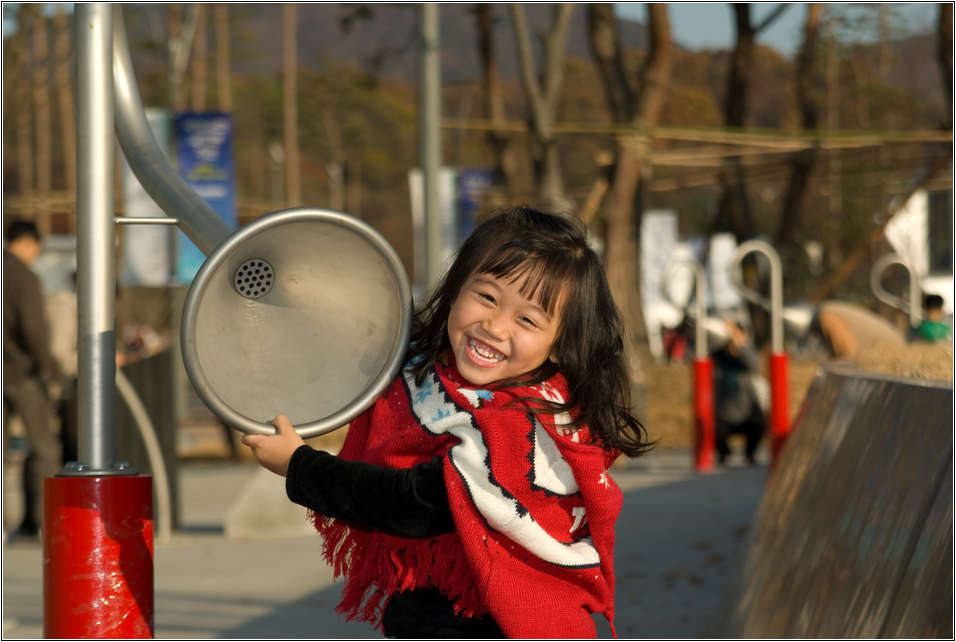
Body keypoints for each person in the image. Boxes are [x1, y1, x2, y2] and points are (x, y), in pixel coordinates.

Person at [241, 207, 652, 638]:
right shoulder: (438, 374)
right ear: (455, 290)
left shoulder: (521, 428)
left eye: (527, 319)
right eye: (487, 297)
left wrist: (300, 466)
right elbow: (356, 341)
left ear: (559, 344)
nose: (494, 325)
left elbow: (411, 506)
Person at [3, 220, 62, 537]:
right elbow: (34, 329)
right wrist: (49, 367)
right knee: (43, 449)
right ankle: (41, 521)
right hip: (22, 372)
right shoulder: (24, 278)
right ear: (27, 243)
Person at [711, 319, 767, 466]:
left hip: (747, 411)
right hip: (724, 412)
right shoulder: (718, 356)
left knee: (760, 423)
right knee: (712, 426)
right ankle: (724, 454)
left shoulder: (747, 357)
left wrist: (740, 346)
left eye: (737, 333)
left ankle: (750, 454)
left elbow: (754, 365)